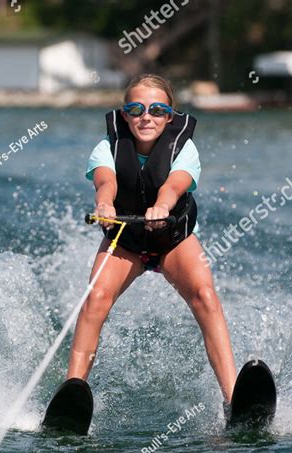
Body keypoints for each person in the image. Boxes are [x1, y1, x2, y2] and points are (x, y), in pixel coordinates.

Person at [67, 73, 237, 411]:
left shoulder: (184, 148)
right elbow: (106, 182)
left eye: (157, 110)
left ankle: (234, 397)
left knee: (205, 296)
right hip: (126, 241)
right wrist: (104, 204)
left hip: (172, 240)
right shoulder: (107, 148)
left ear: (170, 116)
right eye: (136, 109)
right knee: (96, 298)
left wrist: (161, 207)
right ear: (125, 114)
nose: (147, 117)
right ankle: (72, 392)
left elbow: (174, 185)